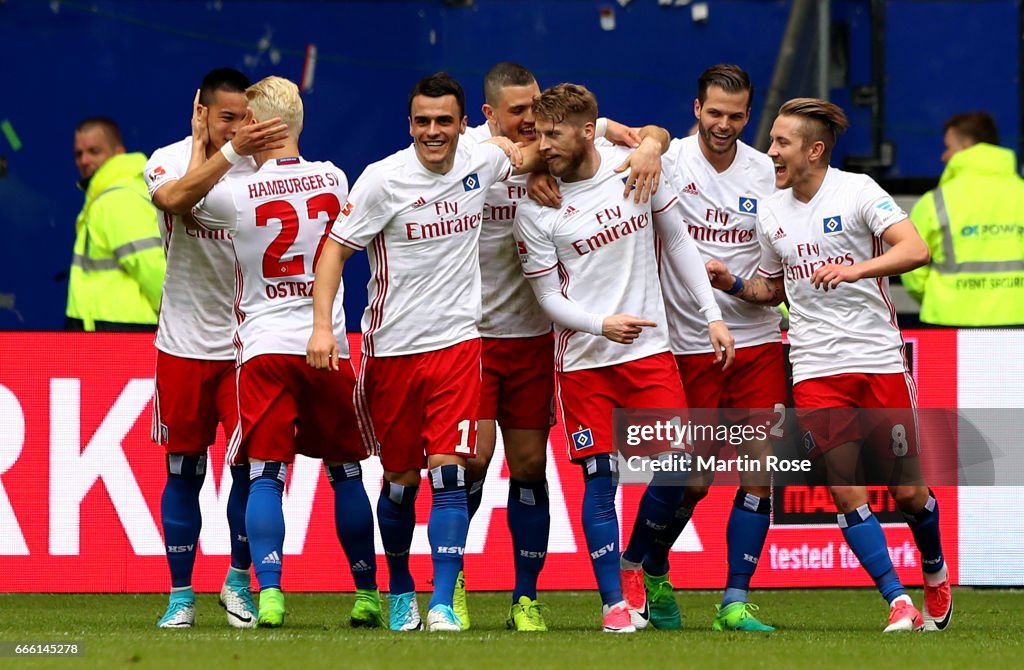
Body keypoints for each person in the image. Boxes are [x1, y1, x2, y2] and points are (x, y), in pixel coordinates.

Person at [707, 97, 953, 633]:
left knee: (908, 492)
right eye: (771, 141)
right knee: (845, 489)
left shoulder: (858, 191)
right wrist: (730, 283)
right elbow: (773, 288)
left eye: (781, 143)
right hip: (815, 366)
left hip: (877, 358)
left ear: (815, 151)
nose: (771, 152)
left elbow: (914, 250)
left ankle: (933, 571)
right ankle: (897, 600)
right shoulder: (770, 212)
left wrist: (856, 269)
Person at [308, 72, 536, 633]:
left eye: (443, 121)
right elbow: (334, 251)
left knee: (451, 478)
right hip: (392, 354)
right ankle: (402, 587)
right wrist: (321, 328)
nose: (433, 132)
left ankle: (440, 603)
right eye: (422, 122)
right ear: (409, 124)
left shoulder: (482, 163)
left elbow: (541, 147)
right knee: (400, 482)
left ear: (464, 124)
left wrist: (634, 138)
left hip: (459, 347)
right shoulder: (382, 181)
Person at [513, 83, 735, 633]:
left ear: (588, 131)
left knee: (683, 467)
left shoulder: (633, 170)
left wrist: (712, 315)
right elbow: (547, 298)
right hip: (586, 360)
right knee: (599, 481)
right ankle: (614, 601)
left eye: (554, 134)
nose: (544, 146)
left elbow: (679, 242)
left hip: (649, 353)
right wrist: (600, 324)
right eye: (539, 135)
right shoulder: (535, 207)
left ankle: (635, 560)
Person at [459, 62, 661, 632]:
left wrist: (651, 144)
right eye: (519, 111)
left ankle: (526, 596)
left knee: (527, 466)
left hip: (533, 338)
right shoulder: (471, 153)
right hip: (471, 335)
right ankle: (452, 580)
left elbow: (642, 135)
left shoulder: (553, 147)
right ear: (490, 115)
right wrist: (525, 171)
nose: (531, 121)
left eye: (538, 109)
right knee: (473, 459)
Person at [193, 75, 381, 629]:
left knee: (265, 474)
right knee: (346, 473)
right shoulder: (333, 177)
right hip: (328, 347)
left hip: (265, 349)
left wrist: (216, 146)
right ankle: (366, 591)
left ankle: (270, 593)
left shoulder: (232, 193)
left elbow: (184, 200)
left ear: (258, 126)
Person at [637, 64, 783, 632]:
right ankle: (649, 566)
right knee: (692, 481)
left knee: (757, 473)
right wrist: (648, 139)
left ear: (749, 116)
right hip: (688, 345)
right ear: (696, 109)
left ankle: (735, 601)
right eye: (714, 112)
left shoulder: (765, 173)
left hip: (758, 343)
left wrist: (742, 288)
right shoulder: (667, 159)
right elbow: (599, 131)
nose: (723, 124)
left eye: (736, 115)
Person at [144, 67, 289, 629]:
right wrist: (230, 153)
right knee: (183, 471)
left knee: (253, 473)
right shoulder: (166, 158)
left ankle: (236, 581)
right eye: (227, 117)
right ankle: (181, 594)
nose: (238, 129)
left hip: (247, 346)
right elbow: (176, 200)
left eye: (246, 119)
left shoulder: (268, 171)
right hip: (182, 344)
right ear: (199, 110)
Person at [902, 111, 1024, 326]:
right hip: (1018, 317)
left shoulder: (935, 201)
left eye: (948, 147)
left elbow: (910, 261)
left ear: (966, 147)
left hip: (950, 320)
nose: (944, 156)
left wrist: (934, 297)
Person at [67, 117, 165, 332]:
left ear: (118, 153)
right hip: (110, 325)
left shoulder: (117, 198)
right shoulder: (111, 193)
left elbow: (151, 267)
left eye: (94, 151)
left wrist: (177, 319)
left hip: (118, 329)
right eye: (79, 154)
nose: (84, 160)